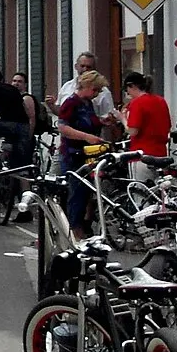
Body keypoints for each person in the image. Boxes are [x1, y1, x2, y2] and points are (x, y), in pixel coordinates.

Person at [54, 70, 110, 239]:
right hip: (73, 153)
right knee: (75, 192)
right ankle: (73, 228)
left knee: (85, 192)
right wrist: (87, 137)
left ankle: (77, 226)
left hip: (87, 154)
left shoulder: (87, 103)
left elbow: (87, 122)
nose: (97, 94)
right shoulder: (71, 103)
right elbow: (63, 127)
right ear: (86, 86)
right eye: (95, 90)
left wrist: (101, 122)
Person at [53, 52, 116, 133]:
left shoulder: (89, 103)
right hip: (74, 143)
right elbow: (63, 124)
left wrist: (104, 121)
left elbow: (95, 120)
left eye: (89, 67)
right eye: (82, 66)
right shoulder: (70, 97)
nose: (85, 69)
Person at [124, 71, 171, 159]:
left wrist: (122, 119)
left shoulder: (137, 103)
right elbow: (167, 127)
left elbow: (133, 131)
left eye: (127, 90)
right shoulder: (161, 101)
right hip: (161, 153)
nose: (128, 93)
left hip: (142, 154)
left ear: (132, 86)